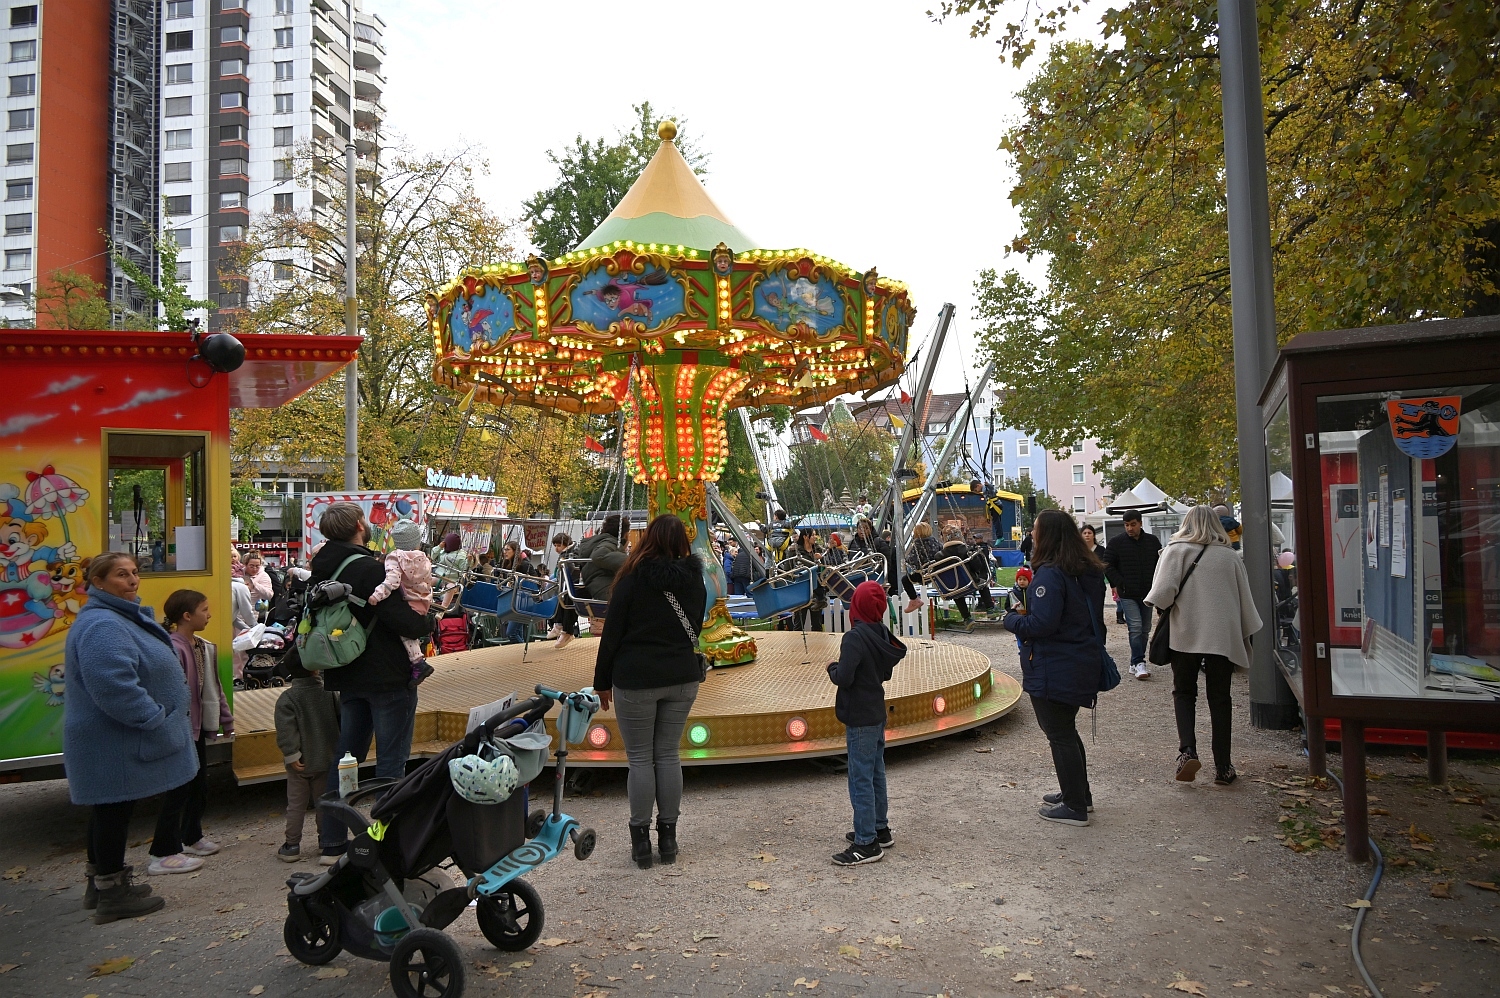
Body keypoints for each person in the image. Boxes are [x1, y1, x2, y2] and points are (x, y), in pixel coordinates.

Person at [64, 553, 200, 924]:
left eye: (135, 573)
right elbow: (114, 685)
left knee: (109, 808)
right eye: (121, 575)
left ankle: (101, 886)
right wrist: (154, 719)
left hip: (115, 739)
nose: (132, 580)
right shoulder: (103, 624)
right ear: (98, 582)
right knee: (113, 811)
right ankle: (113, 895)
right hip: (114, 739)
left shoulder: (114, 616)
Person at [311, 502, 435, 863]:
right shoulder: (368, 568)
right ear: (358, 526)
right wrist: (428, 622)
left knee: (345, 758)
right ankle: (386, 842)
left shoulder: (322, 565)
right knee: (391, 762)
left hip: (346, 670)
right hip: (387, 674)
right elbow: (402, 620)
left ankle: (332, 841)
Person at [593, 514, 706, 870]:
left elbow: (612, 634)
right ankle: (668, 838)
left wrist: (602, 681)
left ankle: (641, 841)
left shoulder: (631, 580)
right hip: (682, 675)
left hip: (636, 677)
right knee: (668, 754)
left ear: (648, 539)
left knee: (640, 759)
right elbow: (696, 624)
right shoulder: (695, 580)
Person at [1145, 505, 1263, 785]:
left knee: (1184, 692)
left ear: (1186, 523)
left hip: (1185, 632)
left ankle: (1187, 751)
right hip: (1222, 637)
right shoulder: (1230, 556)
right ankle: (1223, 766)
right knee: (1220, 698)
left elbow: (1162, 595)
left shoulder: (1175, 550)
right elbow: (1244, 600)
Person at [1003, 509, 1106, 827]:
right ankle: (1079, 794)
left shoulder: (1050, 574)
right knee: (1066, 730)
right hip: (1079, 658)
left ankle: (1074, 806)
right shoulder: (1084, 569)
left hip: (1054, 663)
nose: (1032, 535)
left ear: (1046, 535)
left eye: (1035, 529)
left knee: (1059, 734)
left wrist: (1012, 619)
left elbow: (1042, 624)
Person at [827, 580, 907, 866]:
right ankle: (879, 828)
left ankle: (866, 842)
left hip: (859, 715)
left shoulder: (855, 638)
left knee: (860, 777)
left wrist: (832, 668)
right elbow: (884, 673)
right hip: (876, 711)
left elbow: (844, 677)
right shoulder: (881, 634)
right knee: (875, 772)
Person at [163, 590, 234, 863]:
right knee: (179, 789)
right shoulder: (174, 648)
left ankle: (191, 836)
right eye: (204, 610)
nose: (209, 615)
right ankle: (167, 847)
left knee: (199, 785)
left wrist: (225, 719)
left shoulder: (203, 646)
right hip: (182, 728)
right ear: (186, 615)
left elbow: (214, 688)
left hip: (198, 727)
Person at [275, 659, 341, 862]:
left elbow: (286, 731)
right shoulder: (330, 693)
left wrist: (292, 754)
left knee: (296, 806)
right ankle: (325, 840)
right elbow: (341, 718)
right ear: (315, 669)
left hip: (300, 764)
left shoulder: (288, 698)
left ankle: (292, 845)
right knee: (324, 803)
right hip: (327, 759)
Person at [366, 517, 436, 687]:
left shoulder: (395, 558)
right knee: (411, 627)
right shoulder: (424, 558)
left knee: (404, 631)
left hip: (409, 600)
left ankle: (418, 662)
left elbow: (393, 581)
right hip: (424, 600)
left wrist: (377, 595)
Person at [1103, 509, 1163, 680]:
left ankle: (1135, 661)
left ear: (1140, 523)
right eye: (1126, 525)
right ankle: (1139, 662)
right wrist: (1119, 582)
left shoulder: (1152, 542)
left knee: (1145, 629)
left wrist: (1157, 585)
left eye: (1133, 524)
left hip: (1148, 593)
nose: (1130, 528)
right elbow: (1107, 564)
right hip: (1128, 593)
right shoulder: (1117, 542)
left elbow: (1160, 564)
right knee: (1135, 627)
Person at [576, 514, 628, 602]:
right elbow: (599, 555)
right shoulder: (609, 543)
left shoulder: (600, 543)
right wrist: (632, 562)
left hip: (599, 587)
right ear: (625, 534)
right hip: (607, 590)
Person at [547, 532, 579, 648]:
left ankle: (563, 628)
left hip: (570, 584)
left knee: (564, 600)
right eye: (555, 546)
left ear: (566, 544)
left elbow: (572, 568)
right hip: (563, 583)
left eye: (559, 545)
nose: (556, 548)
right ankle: (558, 624)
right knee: (560, 599)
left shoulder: (571, 553)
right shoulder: (564, 554)